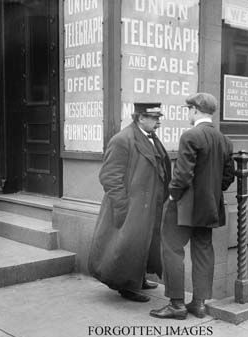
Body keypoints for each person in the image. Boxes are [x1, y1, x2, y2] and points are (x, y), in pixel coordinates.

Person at [150, 92, 235, 320]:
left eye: (189, 109)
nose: (188, 113)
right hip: (209, 207)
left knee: (171, 249)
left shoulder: (190, 136)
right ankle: (198, 303)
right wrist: (212, 193)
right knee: (203, 251)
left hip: (184, 207)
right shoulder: (224, 141)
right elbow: (228, 177)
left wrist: (172, 196)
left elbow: (182, 176)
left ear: (195, 110)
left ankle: (176, 304)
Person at [88, 102, 171, 302]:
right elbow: (109, 177)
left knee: (142, 243)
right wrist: (123, 206)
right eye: (154, 118)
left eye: (159, 118)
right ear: (140, 118)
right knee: (127, 245)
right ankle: (126, 286)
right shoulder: (122, 140)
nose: (158, 122)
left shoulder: (148, 137)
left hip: (147, 204)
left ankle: (138, 279)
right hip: (131, 206)